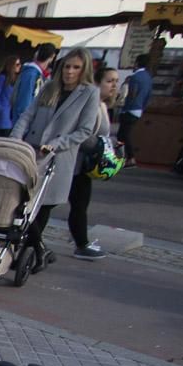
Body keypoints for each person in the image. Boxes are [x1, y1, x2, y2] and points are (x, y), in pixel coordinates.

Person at [10, 47, 101, 272]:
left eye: (75, 68)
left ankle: (34, 251)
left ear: (84, 70)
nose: (69, 72)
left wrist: (57, 144)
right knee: (22, 204)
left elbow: (84, 130)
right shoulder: (50, 87)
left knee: (42, 208)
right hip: (32, 151)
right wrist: (14, 139)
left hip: (58, 157)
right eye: (67, 66)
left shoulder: (89, 93)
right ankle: (36, 249)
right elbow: (28, 115)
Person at [63, 66, 119, 259]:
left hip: (84, 166)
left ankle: (81, 241)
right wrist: (101, 145)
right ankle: (81, 244)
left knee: (79, 204)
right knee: (69, 203)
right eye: (109, 81)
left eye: (116, 81)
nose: (114, 86)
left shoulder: (102, 105)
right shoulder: (92, 104)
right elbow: (83, 134)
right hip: (76, 163)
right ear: (97, 82)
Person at [118, 53, 153, 166]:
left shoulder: (135, 77)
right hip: (139, 109)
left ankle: (127, 156)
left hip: (130, 108)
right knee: (126, 133)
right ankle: (126, 156)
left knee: (123, 134)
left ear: (137, 63)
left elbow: (132, 93)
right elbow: (148, 95)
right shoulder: (148, 78)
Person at [12, 42, 57, 126]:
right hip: (21, 125)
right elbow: (24, 103)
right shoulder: (31, 74)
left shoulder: (37, 74)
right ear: (52, 57)